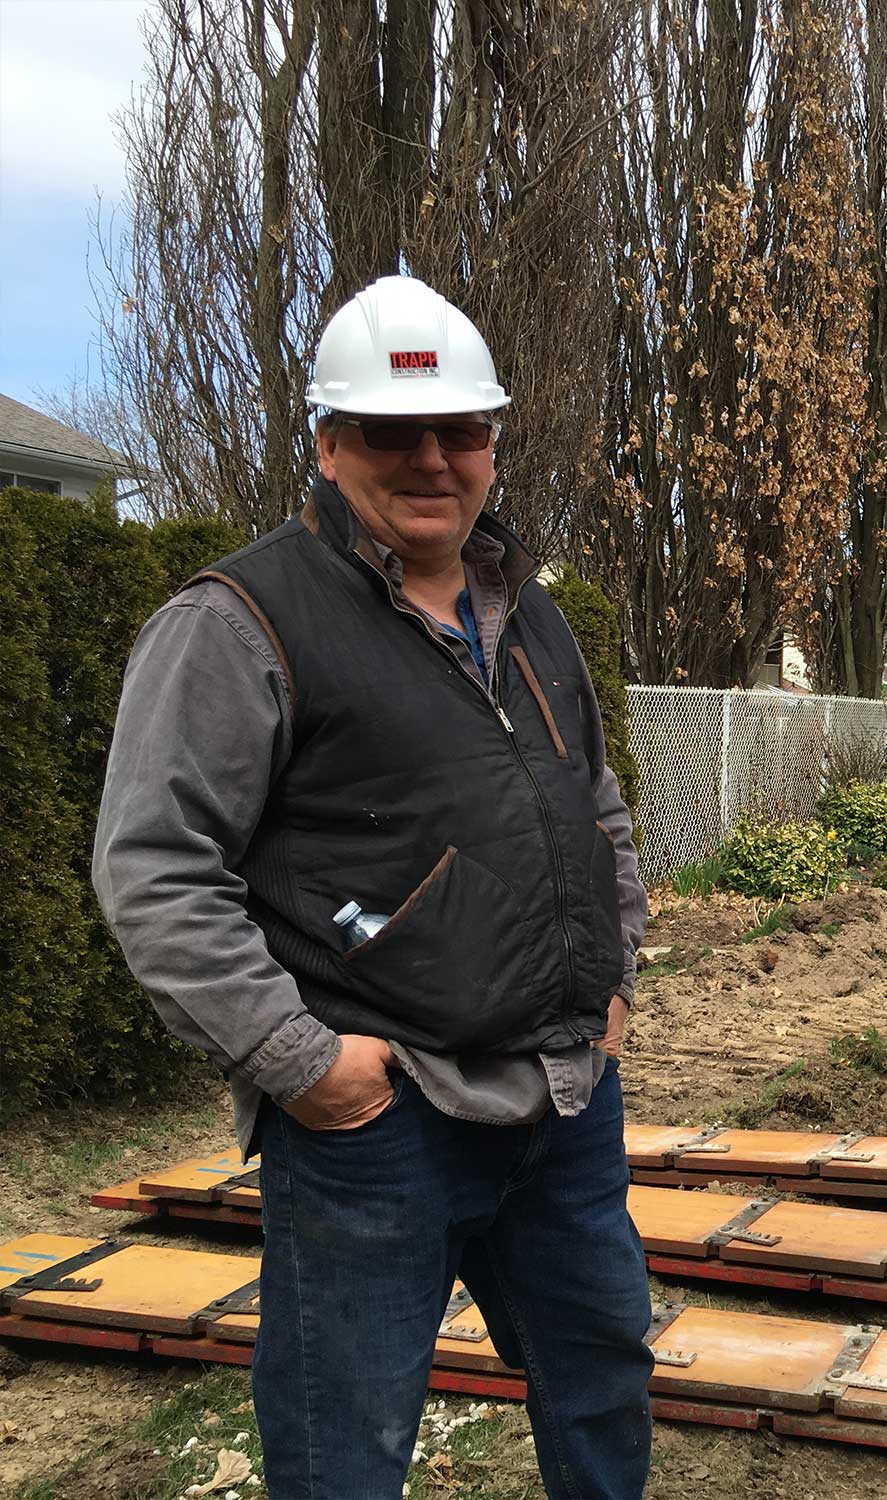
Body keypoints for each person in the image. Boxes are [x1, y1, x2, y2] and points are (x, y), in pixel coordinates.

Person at [94, 275, 656, 1499]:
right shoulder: (239, 622)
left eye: (460, 430)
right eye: (394, 432)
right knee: (343, 1442)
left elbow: (595, 807)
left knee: (602, 1381)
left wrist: (614, 978)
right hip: (382, 1123)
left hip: (563, 1100)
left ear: (492, 444)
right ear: (329, 444)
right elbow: (155, 868)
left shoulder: (534, 617)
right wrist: (301, 1063)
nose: (432, 460)